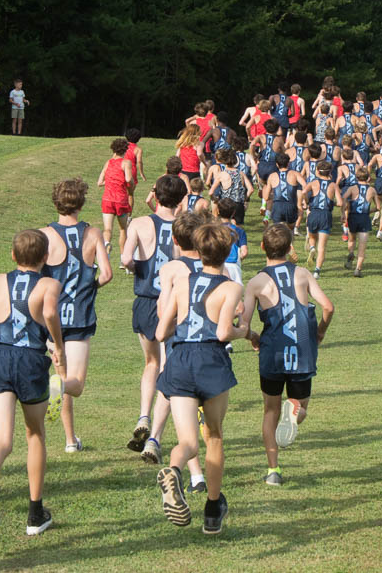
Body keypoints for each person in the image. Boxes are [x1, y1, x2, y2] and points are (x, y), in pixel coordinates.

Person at [0, 229, 68, 546]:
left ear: (13, 255)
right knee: (35, 434)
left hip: (0, 359)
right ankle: (35, 514)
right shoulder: (50, 284)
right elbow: (49, 312)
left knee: (2, 439)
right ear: (46, 257)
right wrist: (59, 346)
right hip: (30, 362)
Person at [155, 224, 248, 535]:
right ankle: (212, 508)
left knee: (187, 442)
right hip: (210, 360)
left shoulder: (182, 282)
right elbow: (223, 332)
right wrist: (243, 331)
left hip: (180, 360)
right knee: (215, 435)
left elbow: (160, 332)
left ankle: (174, 469)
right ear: (226, 253)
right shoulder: (230, 286)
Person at [242, 225, 335, 486]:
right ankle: (296, 412)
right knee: (301, 405)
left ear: (262, 247)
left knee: (270, 411)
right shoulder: (303, 274)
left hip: (272, 352)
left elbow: (244, 324)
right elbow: (328, 307)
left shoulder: (256, 282)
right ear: (290, 248)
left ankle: (274, 471)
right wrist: (319, 333)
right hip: (303, 350)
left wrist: (253, 339)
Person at [40, 179, 114, 453]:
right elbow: (106, 274)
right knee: (74, 384)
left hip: (52, 317)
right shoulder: (93, 233)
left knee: (63, 378)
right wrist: (90, 287)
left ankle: (70, 440)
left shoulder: (43, 234)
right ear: (81, 203)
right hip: (80, 316)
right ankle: (69, 439)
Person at [148, 211, 214, 495]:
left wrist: (176, 324)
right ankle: (198, 473)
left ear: (174, 239)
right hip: (209, 343)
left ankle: (195, 473)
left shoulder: (171, 269)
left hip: (178, 340)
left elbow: (164, 309)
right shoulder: (215, 264)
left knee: (180, 401)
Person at [121, 175, 184, 454]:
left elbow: (125, 259)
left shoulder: (139, 223)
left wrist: (139, 268)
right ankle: (155, 437)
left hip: (146, 301)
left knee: (150, 363)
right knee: (169, 368)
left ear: (155, 196)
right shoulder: (185, 226)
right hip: (174, 303)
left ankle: (143, 415)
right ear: (181, 200)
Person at [97, 138, 133, 264]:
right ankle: (123, 258)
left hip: (107, 199)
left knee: (107, 229)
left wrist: (111, 181)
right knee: (123, 229)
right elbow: (128, 179)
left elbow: (99, 182)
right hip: (121, 200)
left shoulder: (108, 162)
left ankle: (106, 245)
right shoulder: (126, 163)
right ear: (125, 150)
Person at [302, 160, 340, 280]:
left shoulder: (313, 183)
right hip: (325, 214)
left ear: (317, 171)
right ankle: (317, 271)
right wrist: (332, 202)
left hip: (313, 213)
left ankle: (312, 248)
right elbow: (340, 202)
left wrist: (306, 202)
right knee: (322, 246)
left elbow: (303, 192)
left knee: (312, 237)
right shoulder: (333, 185)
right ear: (329, 172)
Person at [342, 168, 378, 277]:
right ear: (368, 178)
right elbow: (378, 207)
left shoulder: (352, 188)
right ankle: (358, 269)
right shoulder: (372, 190)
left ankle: (351, 253)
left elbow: (343, 198)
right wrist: (369, 211)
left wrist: (345, 210)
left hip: (353, 217)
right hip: (364, 218)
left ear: (356, 177)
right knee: (362, 245)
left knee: (351, 239)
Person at [215, 199, 249, 285]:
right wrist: (238, 259)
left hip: (218, 265)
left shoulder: (214, 230)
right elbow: (244, 252)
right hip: (234, 266)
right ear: (233, 213)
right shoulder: (239, 231)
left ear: (218, 211)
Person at [125, 129, 145, 213]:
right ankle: (129, 215)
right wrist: (141, 173)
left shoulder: (123, 146)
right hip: (131, 172)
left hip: (121, 169)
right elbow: (139, 162)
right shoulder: (138, 149)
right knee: (130, 194)